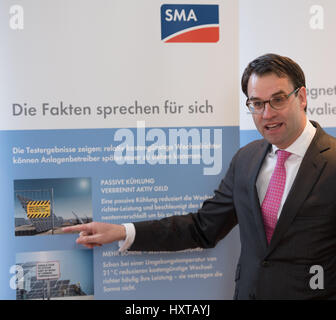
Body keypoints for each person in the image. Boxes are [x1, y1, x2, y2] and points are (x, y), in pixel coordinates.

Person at [63, 53, 336, 299]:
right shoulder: (247, 159)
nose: (267, 114)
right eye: (256, 103)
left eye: (277, 100)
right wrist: (123, 231)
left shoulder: (331, 161)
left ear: (301, 97)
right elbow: (203, 227)